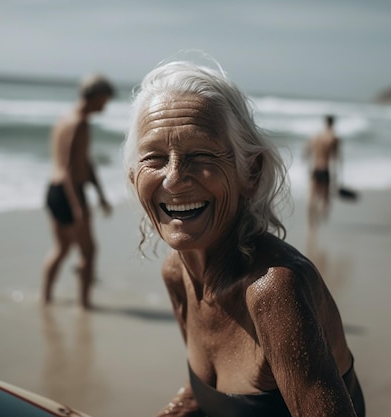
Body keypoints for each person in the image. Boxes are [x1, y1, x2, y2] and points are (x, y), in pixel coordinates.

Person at [123, 59, 365, 417]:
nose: (173, 179)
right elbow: (214, 391)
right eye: (155, 158)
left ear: (250, 172)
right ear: (133, 177)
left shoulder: (273, 291)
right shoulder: (177, 274)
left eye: (201, 154)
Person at [42, 74, 115, 310]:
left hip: (54, 190)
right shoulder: (78, 123)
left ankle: (45, 299)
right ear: (94, 97)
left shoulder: (65, 119)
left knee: (61, 249)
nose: (106, 105)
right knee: (89, 252)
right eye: (105, 99)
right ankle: (84, 305)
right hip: (69, 192)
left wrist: (100, 193)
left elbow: (84, 162)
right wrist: (78, 207)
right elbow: (70, 170)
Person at [304, 114, 341, 227]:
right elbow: (336, 157)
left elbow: (306, 152)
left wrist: (307, 166)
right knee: (325, 198)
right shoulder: (333, 138)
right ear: (333, 123)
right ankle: (320, 220)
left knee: (312, 196)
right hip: (325, 170)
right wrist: (337, 175)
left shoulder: (317, 136)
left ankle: (310, 221)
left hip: (315, 169)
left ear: (325, 122)